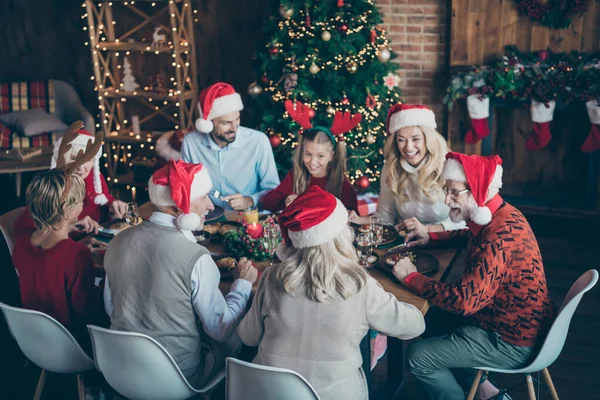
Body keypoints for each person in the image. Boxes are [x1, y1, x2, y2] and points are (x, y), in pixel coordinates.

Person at [392, 152, 557, 400]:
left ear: (478, 190)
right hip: (524, 327)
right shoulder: (502, 214)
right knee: (428, 317)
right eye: (446, 190)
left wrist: (411, 277)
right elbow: (468, 236)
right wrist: (430, 236)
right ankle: (485, 391)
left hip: (512, 341)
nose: (447, 200)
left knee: (418, 356)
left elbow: (464, 302)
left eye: (454, 192)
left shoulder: (497, 240)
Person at [238, 186, 425, 400]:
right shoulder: (359, 284)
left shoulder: (272, 277)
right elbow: (414, 326)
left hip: (269, 393)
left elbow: (248, 337)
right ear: (341, 235)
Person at [103, 159, 258, 388]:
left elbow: (110, 308)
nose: (209, 206)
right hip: (175, 379)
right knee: (238, 334)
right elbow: (221, 328)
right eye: (203, 197)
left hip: (120, 370)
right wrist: (242, 285)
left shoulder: (118, 241)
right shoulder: (196, 257)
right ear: (178, 203)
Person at [12, 168, 107, 351]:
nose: (82, 205)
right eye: (80, 201)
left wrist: (68, 230)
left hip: (32, 338)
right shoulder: (78, 256)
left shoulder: (23, 242)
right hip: (70, 345)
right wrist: (105, 290)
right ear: (66, 209)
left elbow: (45, 266)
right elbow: (87, 314)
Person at [350, 104, 465, 234]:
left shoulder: (450, 165)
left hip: (446, 243)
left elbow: (466, 220)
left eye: (416, 139)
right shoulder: (391, 167)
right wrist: (358, 219)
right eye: (401, 140)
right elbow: (385, 217)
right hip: (407, 243)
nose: (408, 147)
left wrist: (428, 230)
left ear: (429, 139)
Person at [181, 82, 280, 211]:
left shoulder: (258, 141)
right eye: (226, 123)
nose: (234, 128)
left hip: (248, 218)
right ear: (209, 123)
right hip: (207, 217)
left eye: (237, 119)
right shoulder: (191, 143)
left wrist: (249, 200)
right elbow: (186, 186)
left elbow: (274, 190)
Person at [262, 100, 359, 212]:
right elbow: (268, 202)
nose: (312, 162)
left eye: (320, 156)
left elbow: (353, 214)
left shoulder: (340, 182)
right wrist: (286, 199)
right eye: (308, 154)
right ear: (302, 152)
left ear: (331, 156)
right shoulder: (296, 175)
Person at [50, 128, 128, 234]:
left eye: (87, 160)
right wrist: (70, 227)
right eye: (74, 159)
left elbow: (102, 199)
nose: (81, 168)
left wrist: (113, 205)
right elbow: (40, 228)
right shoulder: (51, 186)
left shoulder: (95, 177)